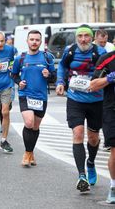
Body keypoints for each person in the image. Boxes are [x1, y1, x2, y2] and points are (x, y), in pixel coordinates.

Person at [56, 24, 106, 192]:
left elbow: (109, 72)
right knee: (77, 133)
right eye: (80, 36)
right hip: (75, 99)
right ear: (76, 38)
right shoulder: (70, 51)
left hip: (96, 100)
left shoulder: (100, 53)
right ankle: (81, 175)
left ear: (91, 37)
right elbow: (62, 66)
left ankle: (90, 162)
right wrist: (60, 82)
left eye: (86, 36)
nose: (83, 39)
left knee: (93, 137)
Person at [12, 30, 55, 167]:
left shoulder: (47, 58)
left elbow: (54, 77)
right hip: (25, 95)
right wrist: (19, 82)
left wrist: (48, 75)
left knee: (35, 127)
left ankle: (30, 153)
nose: (34, 42)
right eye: (32, 39)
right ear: (27, 41)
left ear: (41, 42)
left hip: (41, 97)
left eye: (37, 40)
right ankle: (26, 153)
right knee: (29, 123)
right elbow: (13, 75)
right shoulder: (21, 58)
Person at [90, 50, 115, 203]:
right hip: (112, 110)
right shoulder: (107, 59)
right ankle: (113, 186)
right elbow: (93, 85)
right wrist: (110, 78)